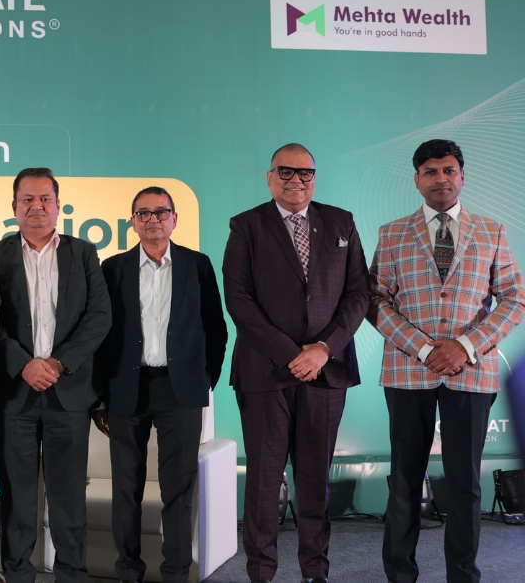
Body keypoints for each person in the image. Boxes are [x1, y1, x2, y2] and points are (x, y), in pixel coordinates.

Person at [369, 139, 525, 583]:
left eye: (449, 170)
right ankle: (400, 575)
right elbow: (375, 300)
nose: (441, 179)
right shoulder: (392, 233)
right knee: (405, 480)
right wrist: (423, 348)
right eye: (431, 172)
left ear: (462, 176)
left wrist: (466, 346)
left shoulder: (491, 231)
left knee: (464, 484)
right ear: (417, 179)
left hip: (471, 373)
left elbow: (513, 298)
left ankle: (463, 575)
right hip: (407, 371)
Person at [222, 143, 369, 583]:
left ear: (314, 178)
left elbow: (359, 294)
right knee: (264, 481)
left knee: (314, 480)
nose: (296, 180)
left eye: (305, 173)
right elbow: (238, 299)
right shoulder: (246, 225)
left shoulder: (341, 222)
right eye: (285, 172)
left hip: (327, 372)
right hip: (265, 373)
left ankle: (315, 572)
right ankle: (261, 573)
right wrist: (292, 354)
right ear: (270, 177)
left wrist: (323, 349)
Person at [93, 186, 228, 583]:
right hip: (126, 389)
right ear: (132, 221)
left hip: (180, 390)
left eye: (161, 212)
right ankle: (128, 572)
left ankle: (176, 573)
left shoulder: (197, 265)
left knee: (178, 490)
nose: (152, 219)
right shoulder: (112, 268)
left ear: (174, 219)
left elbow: (216, 329)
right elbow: (100, 337)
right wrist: (100, 397)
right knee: (126, 489)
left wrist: (204, 381)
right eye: (144, 213)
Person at [0, 168, 110, 583]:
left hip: (68, 393)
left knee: (68, 498)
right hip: (13, 394)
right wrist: (23, 363)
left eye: (45, 199)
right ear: (14, 207)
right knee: (16, 498)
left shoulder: (83, 253)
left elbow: (99, 316)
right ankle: (18, 576)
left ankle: (71, 575)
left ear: (59, 206)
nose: (36, 206)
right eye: (28, 199)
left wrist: (57, 363)